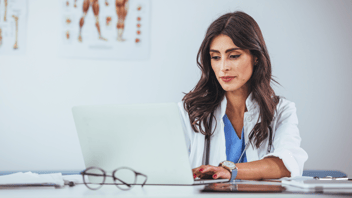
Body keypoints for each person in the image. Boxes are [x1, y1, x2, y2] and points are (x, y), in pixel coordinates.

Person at [178, 11, 308, 181]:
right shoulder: (189, 111)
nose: (223, 67)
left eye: (234, 56)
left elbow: (288, 163)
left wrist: (231, 170)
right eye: (216, 57)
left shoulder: (281, 110)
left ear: (256, 57)